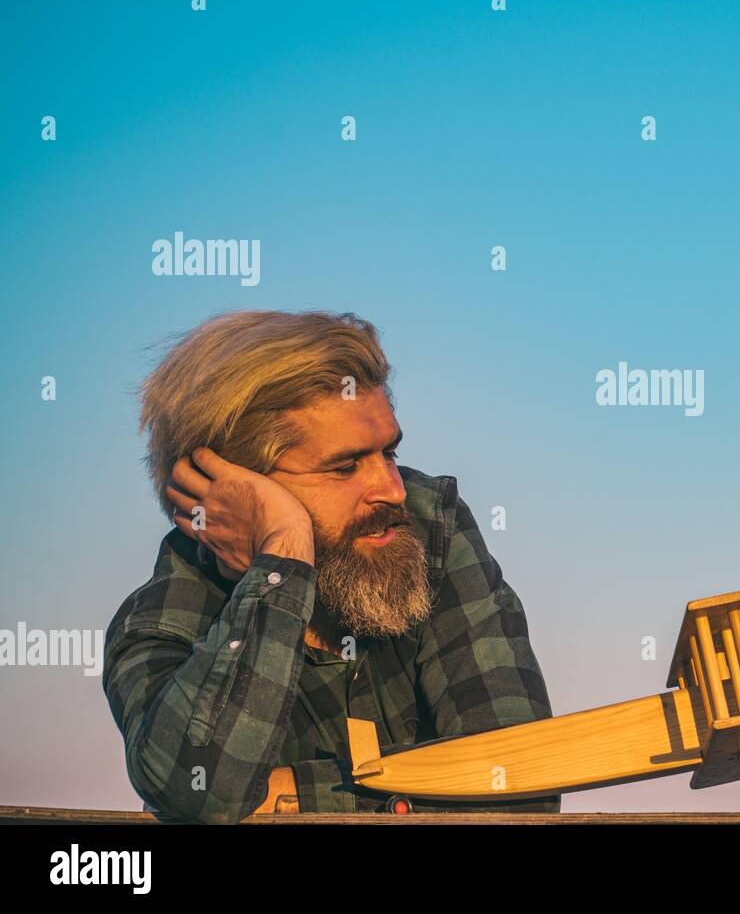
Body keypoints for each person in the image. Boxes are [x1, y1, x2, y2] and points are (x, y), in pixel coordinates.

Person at [103, 310, 558, 823]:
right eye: (344, 467)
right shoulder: (158, 625)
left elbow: (522, 785)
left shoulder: (432, 527)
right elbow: (200, 798)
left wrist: (295, 795)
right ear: (236, 487)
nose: (393, 490)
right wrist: (284, 551)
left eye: (389, 452)